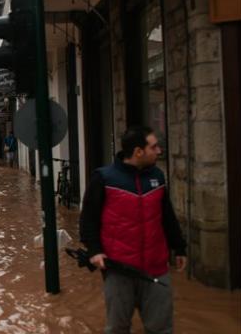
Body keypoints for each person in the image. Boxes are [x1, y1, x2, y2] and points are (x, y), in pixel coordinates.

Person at [79, 126, 187, 334]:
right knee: (118, 328)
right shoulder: (103, 178)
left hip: (156, 268)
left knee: (162, 328)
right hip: (119, 270)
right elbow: (88, 220)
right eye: (153, 147)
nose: (159, 151)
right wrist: (94, 250)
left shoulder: (158, 177)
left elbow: (166, 215)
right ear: (138, 152)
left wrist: (179, 247)